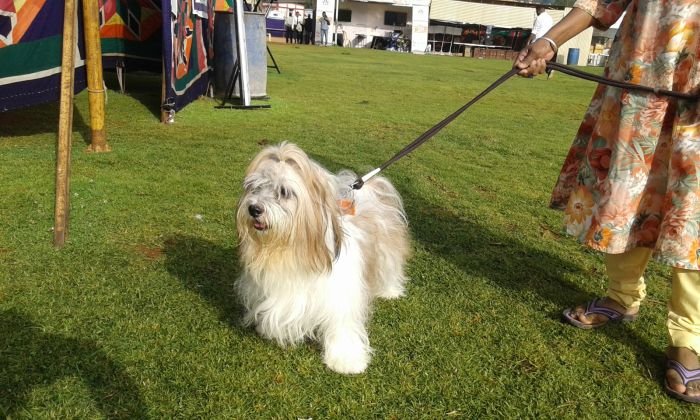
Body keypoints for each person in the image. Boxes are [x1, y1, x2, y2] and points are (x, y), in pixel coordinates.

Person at [515, 0, 699, 403]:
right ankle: (622, 295)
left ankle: (690, 336)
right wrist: (549, 40)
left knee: (695, 215)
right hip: (637, 85)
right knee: (623, 199)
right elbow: (600, 3)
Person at [527, 6, 555, 78]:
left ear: (538, 10)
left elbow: (534, 32)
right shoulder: (550, 18)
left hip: (538, 40)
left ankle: (531, 74)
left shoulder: (539, 18)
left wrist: (528, 41)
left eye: (536, 11)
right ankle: (549, 69)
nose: (536, 13)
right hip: (547, 40)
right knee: (542, 58)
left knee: (531, 57)